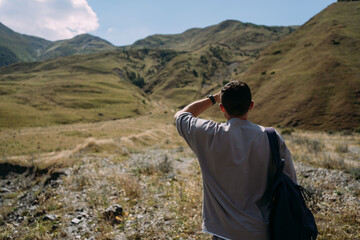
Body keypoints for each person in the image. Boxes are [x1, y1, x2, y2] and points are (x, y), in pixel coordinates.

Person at [174, 81, 297, 240]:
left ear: (222, 108)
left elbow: (181, 115)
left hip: (223, 232)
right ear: (251, 105)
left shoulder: (210, 134)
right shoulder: (272, 138)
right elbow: (292, 183)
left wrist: (213, 98)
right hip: (261, 230)